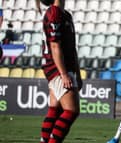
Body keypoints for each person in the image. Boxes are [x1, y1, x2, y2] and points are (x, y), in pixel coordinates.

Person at [36, 0, 82, 143]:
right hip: (58, 68)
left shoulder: (65, 14)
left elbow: (71, 48)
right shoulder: (54, 12)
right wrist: (63, 74)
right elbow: (55, 46)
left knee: (55, 110)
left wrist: (77, 73)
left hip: (62, 67)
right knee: (71, 111)